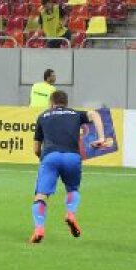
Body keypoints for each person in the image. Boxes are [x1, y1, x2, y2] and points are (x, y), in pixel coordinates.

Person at [29, 90, 107, 243]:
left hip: (50, 156)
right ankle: (70, 214)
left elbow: (36, 148)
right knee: (72, 189)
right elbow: (96, 115)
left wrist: (43, 160)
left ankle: (39, 229)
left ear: (51, 102)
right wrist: (102, 138)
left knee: (41, 196)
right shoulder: (75, 114)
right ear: (66, 103)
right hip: (72, 156)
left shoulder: (43, 116)